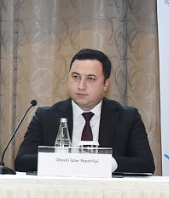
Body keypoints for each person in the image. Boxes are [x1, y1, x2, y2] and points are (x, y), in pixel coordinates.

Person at [14, 48, 154, 174]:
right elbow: (22, 161)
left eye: (90, 79)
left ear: (105, 84)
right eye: (76, 77)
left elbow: (146, 164)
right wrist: (66, 162)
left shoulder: (127, 117)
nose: (81, 86)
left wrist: (103, 163)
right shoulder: (46, 116)